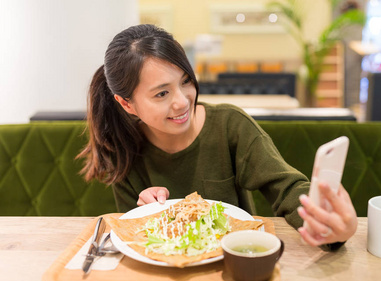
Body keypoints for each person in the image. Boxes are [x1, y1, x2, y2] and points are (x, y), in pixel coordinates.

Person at [78, 24, 357, 249]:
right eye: (162, 93)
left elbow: (288, 188)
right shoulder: (123, 147)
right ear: (127, 103)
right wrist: (146, 212)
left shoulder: (229, 126)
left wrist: (326, 225)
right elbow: (136, 241)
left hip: (234, 267)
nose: (182, 101)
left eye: (186, 81)